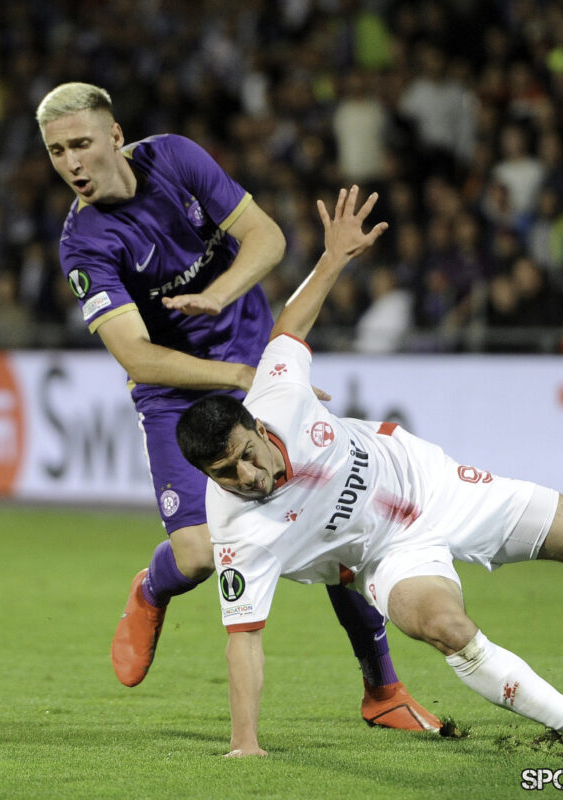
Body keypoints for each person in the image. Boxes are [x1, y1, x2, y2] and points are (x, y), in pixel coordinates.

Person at [35, 83, 439, 730]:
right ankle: (152, 587)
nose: (71, 163)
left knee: (337, 512)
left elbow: (268, 238)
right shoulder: (83, 244)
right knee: (198, 554)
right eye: (56, 152)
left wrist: (220, 298)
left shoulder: (174, 159)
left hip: (251, 348)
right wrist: (240, 374)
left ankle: (382, 690)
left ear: (114, 137)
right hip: (175, 387)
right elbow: (137, 358)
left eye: (81, 143)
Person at [176, 186, 563, 756]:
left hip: (434, 485)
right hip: (387, 557)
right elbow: (245, 640)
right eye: (225, 472)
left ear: (256, 426)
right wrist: (244, 742)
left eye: (245, 453)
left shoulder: (277, 393)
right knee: (441, 626)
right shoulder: (236, 530)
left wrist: (333, 256)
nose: (247, 474)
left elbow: (290, 327)